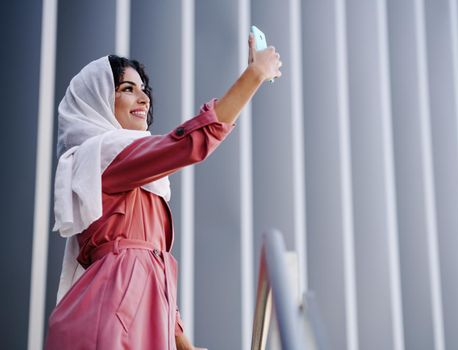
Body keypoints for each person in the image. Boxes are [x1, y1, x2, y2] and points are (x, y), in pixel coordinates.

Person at [45, 33, 282, 350]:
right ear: (97, 101)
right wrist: (252, 76)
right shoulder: (103, 157)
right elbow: (188, 145)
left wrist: (183, 344)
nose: (144, 98)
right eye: (127, 89)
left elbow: (150, 268)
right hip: (108, 322)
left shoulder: (132, 174)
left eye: (144, 90)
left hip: (135, 320)